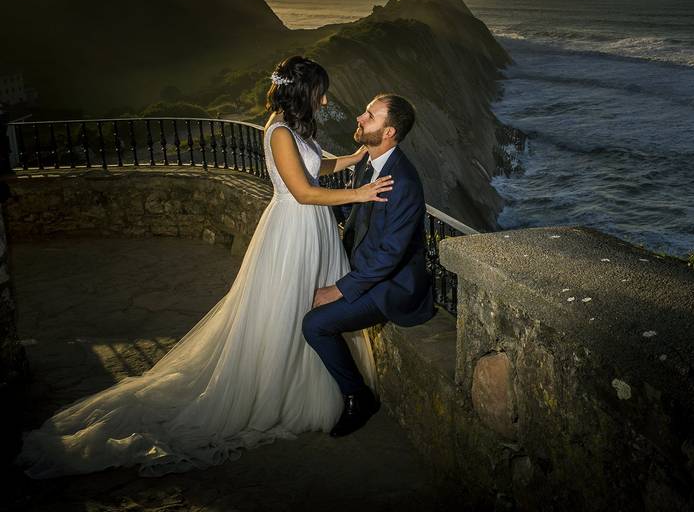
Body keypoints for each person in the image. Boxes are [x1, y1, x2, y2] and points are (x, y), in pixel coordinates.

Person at [18, 56, 393, 477]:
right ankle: (284, 388)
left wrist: (352, 157)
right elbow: (304, 192)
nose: (324, 100)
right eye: (318, 93)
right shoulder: (280, 132)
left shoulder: (295, 129)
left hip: (313, 228)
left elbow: (316, 166)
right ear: (301, 95)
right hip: (294, 232)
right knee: (286, 311)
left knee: (308, 309)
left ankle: (319, 385)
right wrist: (360, 195)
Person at [303, 93, 434, 438]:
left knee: (315, 324)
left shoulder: (402, 181)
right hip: (363, 271)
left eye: (370, 116)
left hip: (392, 286)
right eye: (365, 112)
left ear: (389, 132)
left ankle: (357, 398)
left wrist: (339, 289)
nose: (359, 118)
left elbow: (389, 256)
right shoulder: (367, 162)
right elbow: (354, 216)